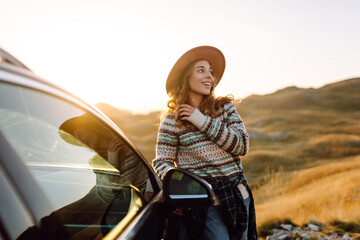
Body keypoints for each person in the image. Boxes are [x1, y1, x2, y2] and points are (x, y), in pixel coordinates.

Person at [152, 46, 257, 240]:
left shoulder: (224, 108)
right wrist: (176, 189)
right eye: (201, 70)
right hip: (206, 205)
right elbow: (162, 162)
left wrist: (200, 119)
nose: (209, 76)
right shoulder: (171, 120)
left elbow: (241, 145)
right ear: (185, 77)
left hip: (239, 198)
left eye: (211, 71)